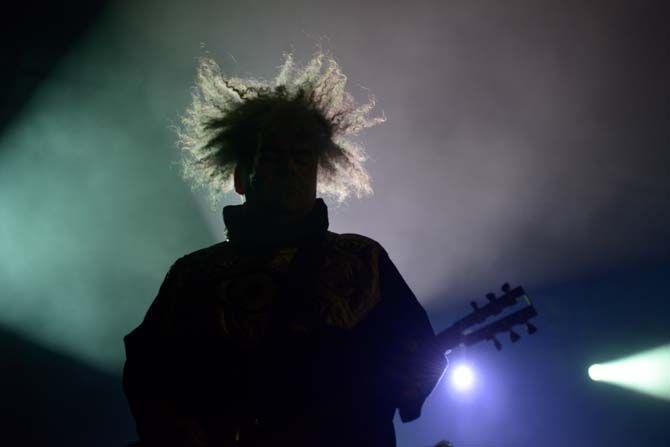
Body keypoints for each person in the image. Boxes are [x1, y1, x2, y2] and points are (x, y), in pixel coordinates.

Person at [122, 49, 448, 447]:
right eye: (273, 158)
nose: (292, 169)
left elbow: (420, 355)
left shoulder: (364, 259)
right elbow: (149, 374)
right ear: (241, 177)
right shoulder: (194, 276)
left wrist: (382, 385)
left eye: (302, 158)